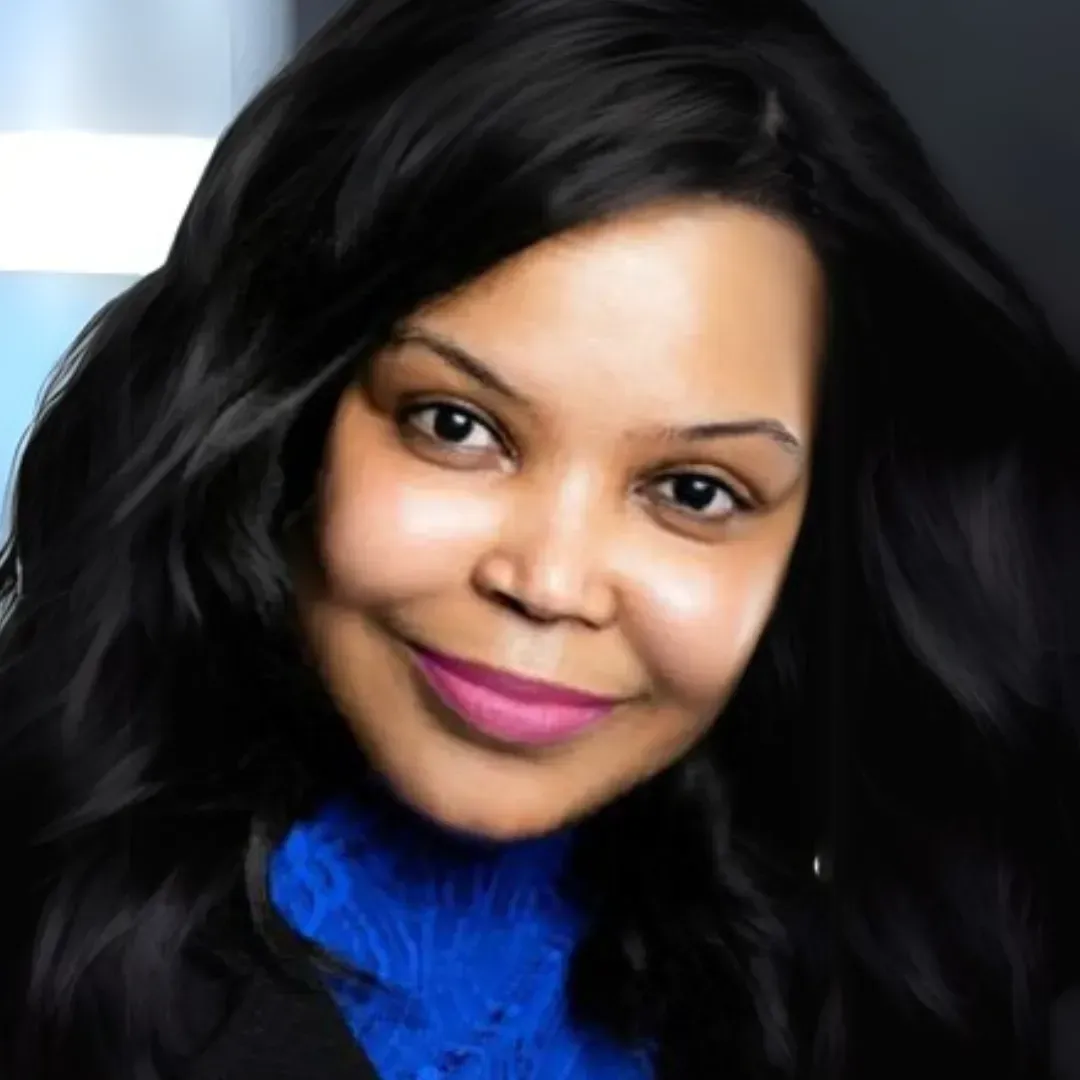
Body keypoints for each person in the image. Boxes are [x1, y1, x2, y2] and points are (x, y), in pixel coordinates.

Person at [2, 0, 1079, 1077]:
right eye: (456, 426)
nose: (551, 582)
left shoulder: (855, 992)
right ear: (283, 423)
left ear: (813, 541)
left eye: (696, 491)